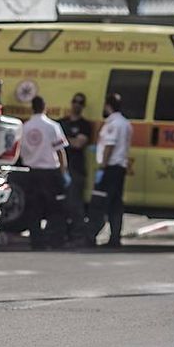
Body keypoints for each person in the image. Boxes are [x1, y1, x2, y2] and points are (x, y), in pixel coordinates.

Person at [20, 96, 70, 250]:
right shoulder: (52, 126)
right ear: (44, 107)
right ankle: (55, 239)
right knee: (55, 208)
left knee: (34, 208)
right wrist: (63, 172)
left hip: (32, 172)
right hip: (50, 173)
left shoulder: (25, 127)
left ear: (32, 108)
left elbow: (21, 152)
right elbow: (60, 151)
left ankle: (36, 241)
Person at [85, 93, 132, 248]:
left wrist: (103, 166)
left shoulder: (113, 124)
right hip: (120, 168)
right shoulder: (126, 123)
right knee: (115, 205)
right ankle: (115, 237)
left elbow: (109, 146)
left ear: (108, 105)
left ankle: (91, 236)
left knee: (99, 203)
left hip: (110, 168)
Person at [59, 93, 93, 243]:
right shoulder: (62, 122)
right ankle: (64, 232)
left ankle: (79, 235)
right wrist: (68, 141)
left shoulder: (85, 125)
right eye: (75, 101)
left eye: (80, 102)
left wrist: (63, 141)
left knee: (75, 204)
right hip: (61, 168)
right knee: (61, 203)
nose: (77, 104)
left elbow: (78, 144)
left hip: (76, 169)